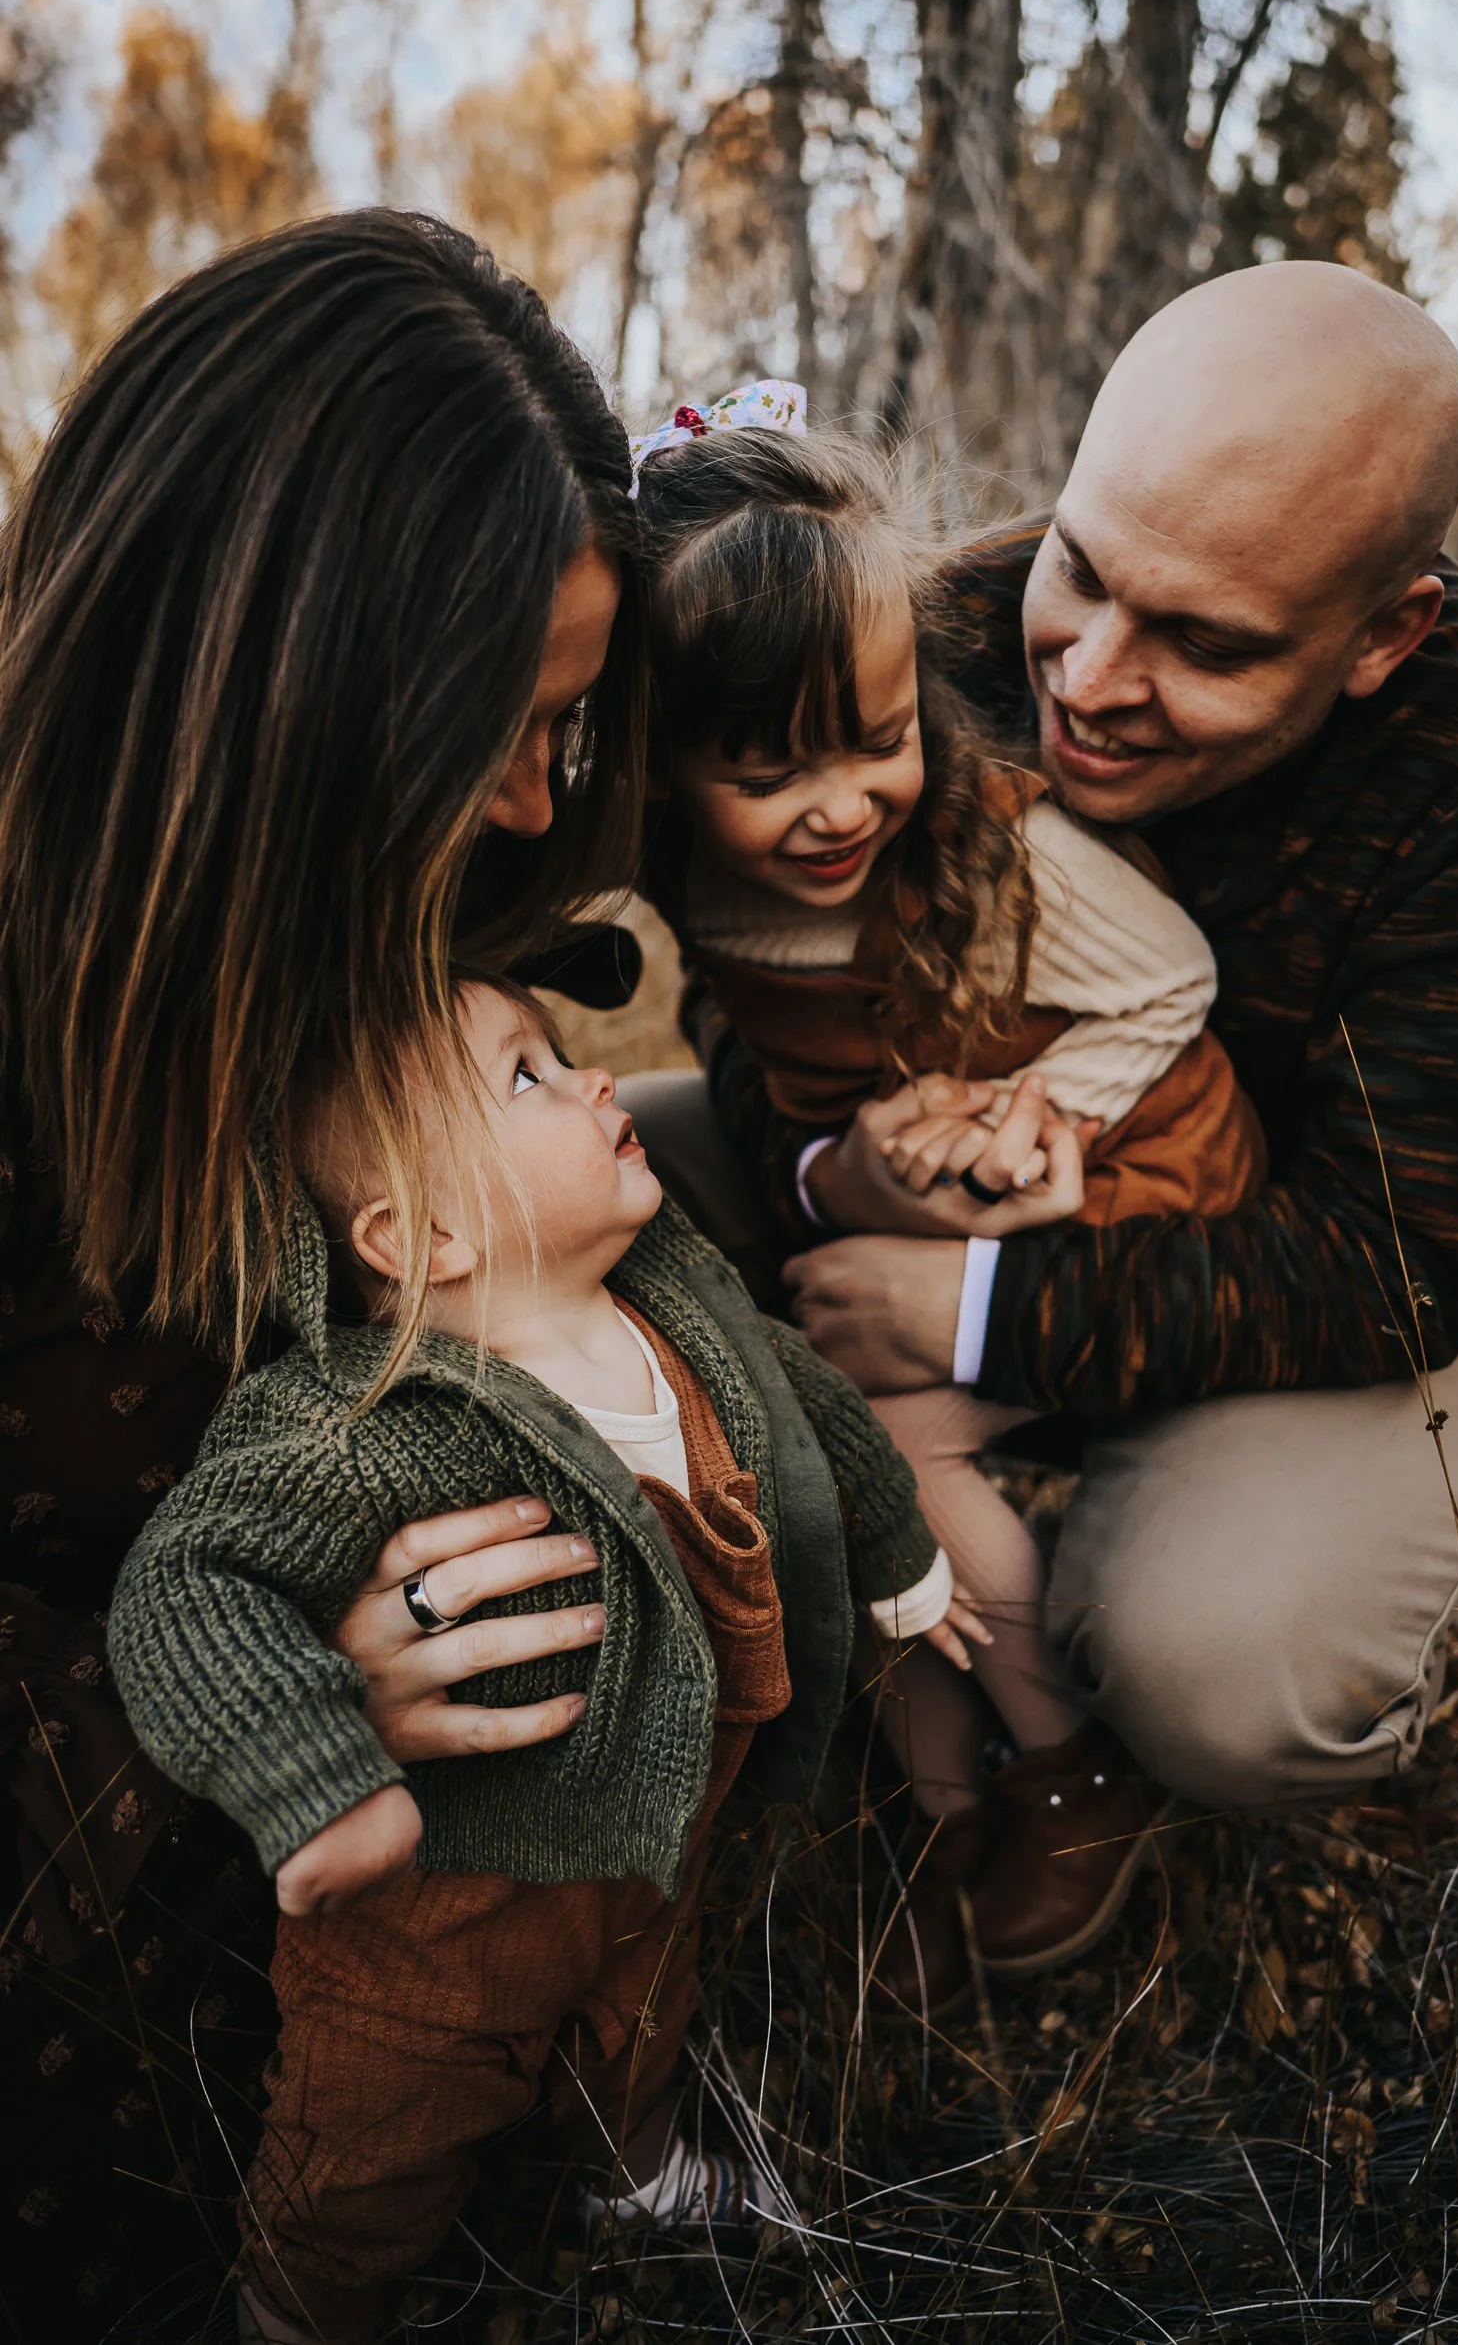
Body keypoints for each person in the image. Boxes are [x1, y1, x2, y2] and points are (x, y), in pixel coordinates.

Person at [620, 263, 1458, 2007]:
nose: (1086, 674)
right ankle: (781, 1618)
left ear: (1383, 631)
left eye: (1207, 644)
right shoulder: (940, 623)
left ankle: (1095, 1700)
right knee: (588, 1175)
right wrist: (826, 1178)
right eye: (1084, 569)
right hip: (937, 1178)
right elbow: (748, 957)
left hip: (1313, 1300)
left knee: (1213, 1664)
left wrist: (975, 1319)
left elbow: (1389, 1262)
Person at [0, 212, 654, 2336]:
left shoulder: (354, 926)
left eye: (571, 716)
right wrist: (269, 1706)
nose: (541, 797)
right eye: (501, 724)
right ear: (278, 696)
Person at [110, 976, 961, 2344]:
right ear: (422, 1235)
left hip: (652, 1840)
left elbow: (806, 1408)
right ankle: (298, 2308)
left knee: (642, 2019)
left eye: (563, 1056)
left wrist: (900, 1559)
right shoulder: (365, 1427)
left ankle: (638, 2179)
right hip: (441, 1925)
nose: (594, 1082)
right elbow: (192, 1582)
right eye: (528, 1077)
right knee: (370, 2143)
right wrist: (315, 1774)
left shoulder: (672, 1315)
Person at [632, 402, 1264, 2006]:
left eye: (874, 742)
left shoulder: (996, 848)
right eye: (766, 769)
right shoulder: (687, 877)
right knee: (821, 1426)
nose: (838, 807)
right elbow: (778, 1076)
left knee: (887, 1439)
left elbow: (1172, 985)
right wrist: (848, 1168)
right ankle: (938, 1796)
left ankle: (1059, 1762)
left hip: (1125, 1175)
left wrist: (1030, 1116)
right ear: (661, 759)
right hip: (925, 1182)